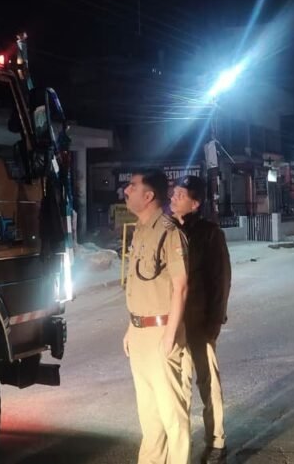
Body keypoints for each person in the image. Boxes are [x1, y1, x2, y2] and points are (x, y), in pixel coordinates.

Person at [123, 168, 193, 464]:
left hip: (161, 334)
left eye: (132, 186)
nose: (126, 191)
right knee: (149, 416)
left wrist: (169, 337)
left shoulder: (169, 232)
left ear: (149, 195)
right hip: (141, 333)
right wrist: (131, 327)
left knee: (172, 416)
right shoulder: (140, 230)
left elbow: (181, 287)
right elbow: (142, 286)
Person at [170, 175, 232, 464]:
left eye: (180, 195)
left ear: (195, 203)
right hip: (175, 324)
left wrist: (215, 321)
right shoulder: (169, 230)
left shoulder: (209, 233)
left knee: (208, 382)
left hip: (201, 321)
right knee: (178, 384)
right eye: (174, 193)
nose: (173, 198)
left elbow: (221, 279)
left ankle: (216, 440)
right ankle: (181, 442)